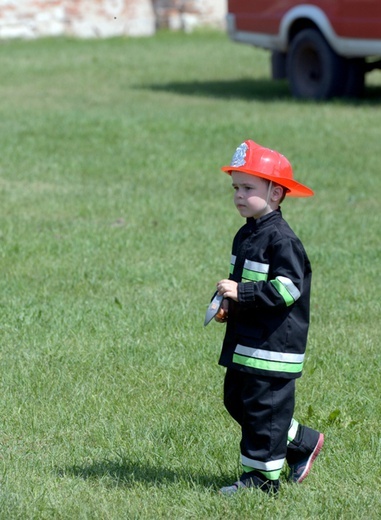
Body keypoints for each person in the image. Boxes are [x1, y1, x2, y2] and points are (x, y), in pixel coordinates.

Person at [212, 140, 324, 495]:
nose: (239, 196)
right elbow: (245, 284)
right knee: (237, 400)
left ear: (276, 193)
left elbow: (289, 289)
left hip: (273, 347)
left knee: (262, 411)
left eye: (248, 188)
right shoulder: (246, 234)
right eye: (235, 188)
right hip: (248, 341)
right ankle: (302, 441)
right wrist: (230, 303)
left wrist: (240, 293)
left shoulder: (282, 240)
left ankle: (260, 482)